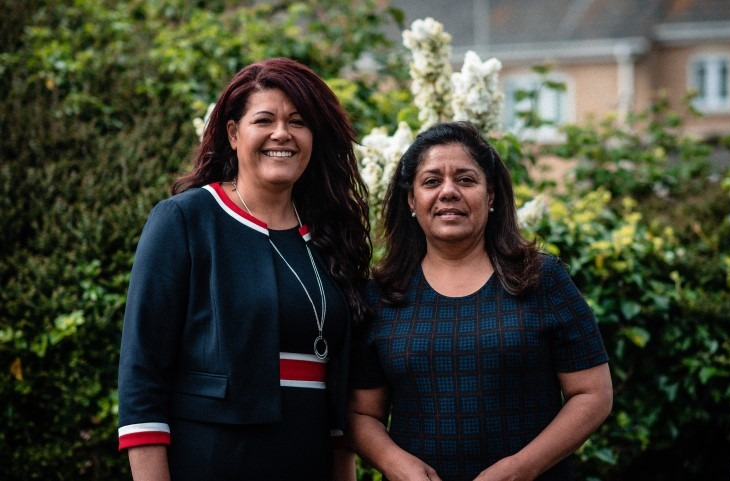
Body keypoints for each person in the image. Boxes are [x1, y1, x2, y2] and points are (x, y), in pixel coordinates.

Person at [118, 57, 371, 481]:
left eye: (298, 122)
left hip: (307, 460)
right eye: (264, 120)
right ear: (234, 134)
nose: (282, 134)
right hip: (212, 459)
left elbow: (339, 392)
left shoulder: (331, 236)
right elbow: (142, 371)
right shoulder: (186, 220)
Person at [348, 121, 612, 481]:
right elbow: (363, 414)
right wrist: (398, 465)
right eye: (431, 181)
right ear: (411, 200)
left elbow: (593, 394)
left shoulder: (542, 279)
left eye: (466, 179)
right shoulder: (381, 294)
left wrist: (521, 468)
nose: (448, 192)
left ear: (491, 196)